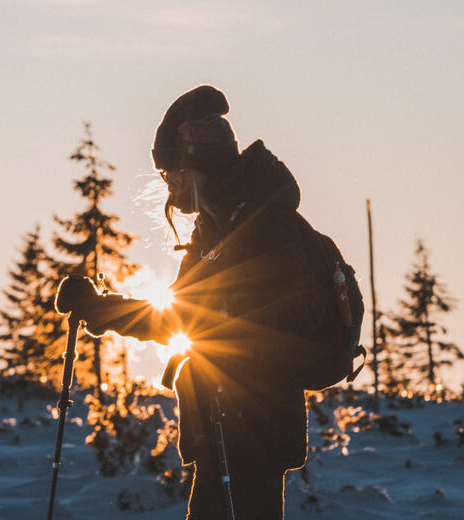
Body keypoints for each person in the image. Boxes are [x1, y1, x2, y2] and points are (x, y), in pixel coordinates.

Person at [55, 84, 325, 519]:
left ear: (199, 164)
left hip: (256, 427)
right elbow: (181, 318)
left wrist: (228, 323)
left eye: (172, 171)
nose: (169, 183)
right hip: (220, 425)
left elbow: (304, 310)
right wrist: (102, 309)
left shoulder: (264, 221)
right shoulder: (211, 230)